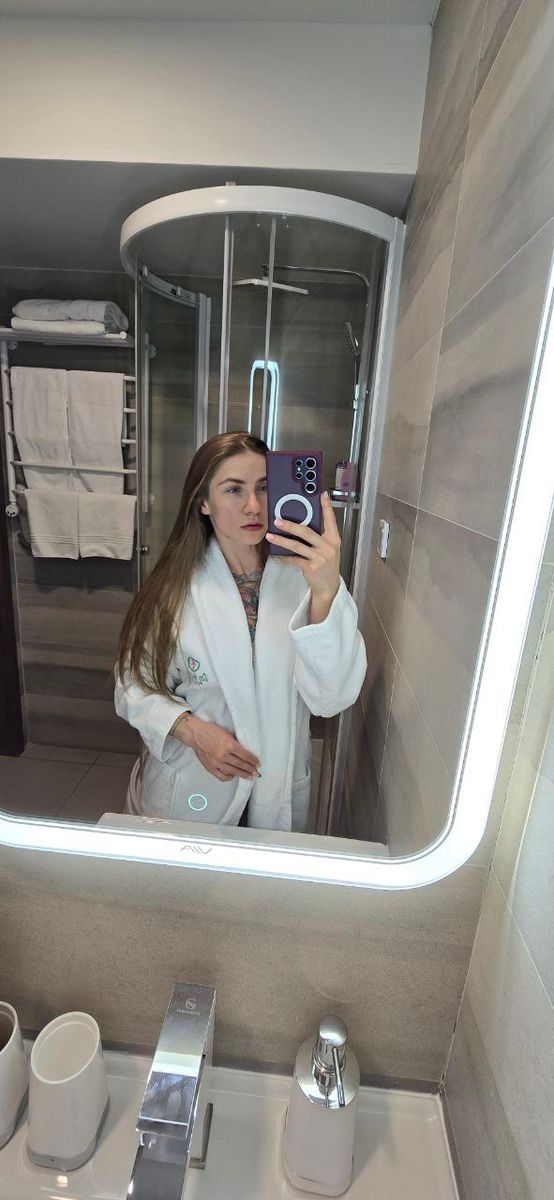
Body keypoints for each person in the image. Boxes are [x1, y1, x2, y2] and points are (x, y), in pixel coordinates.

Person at [114, 431, 366, 832]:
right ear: (203, 502)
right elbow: (132, 684)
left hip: (274, 786)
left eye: (264, 487)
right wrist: (193, 732)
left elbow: (331, 699)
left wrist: (325, 591)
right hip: (195, 781)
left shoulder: (307, 580)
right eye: (234, 489)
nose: (253, 505)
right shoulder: (175, 588)